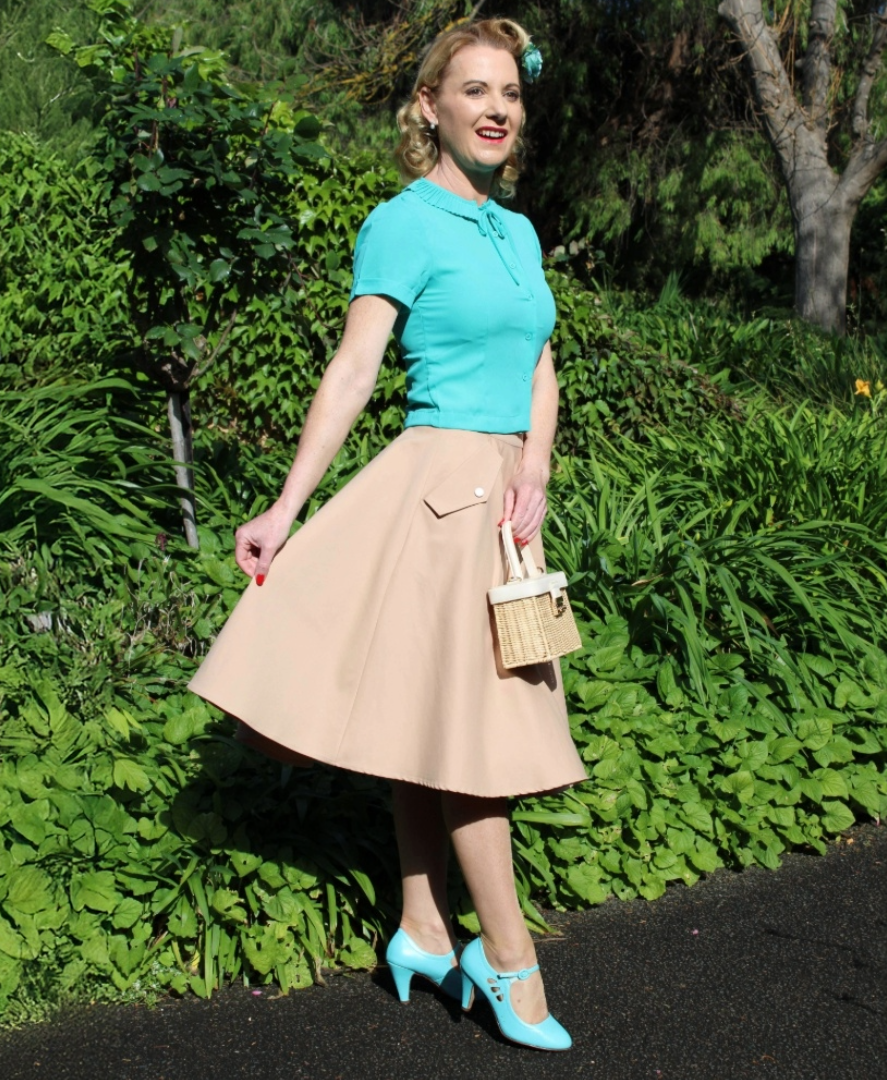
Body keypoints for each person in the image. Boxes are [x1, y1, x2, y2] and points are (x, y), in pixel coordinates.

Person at [187, 17, 586, 1052]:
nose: (497, 109)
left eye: (510, 93)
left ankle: (422, 925)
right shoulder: (402, 223)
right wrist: (283, 507)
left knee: (434, 719)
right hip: (439, 499)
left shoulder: (519, 232)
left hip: (505, 508)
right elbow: (354, 369)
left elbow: (539, 360)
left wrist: (536, 465)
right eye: (474, 90)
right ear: (429, 107)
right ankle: (511, 963)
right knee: (477, 741)